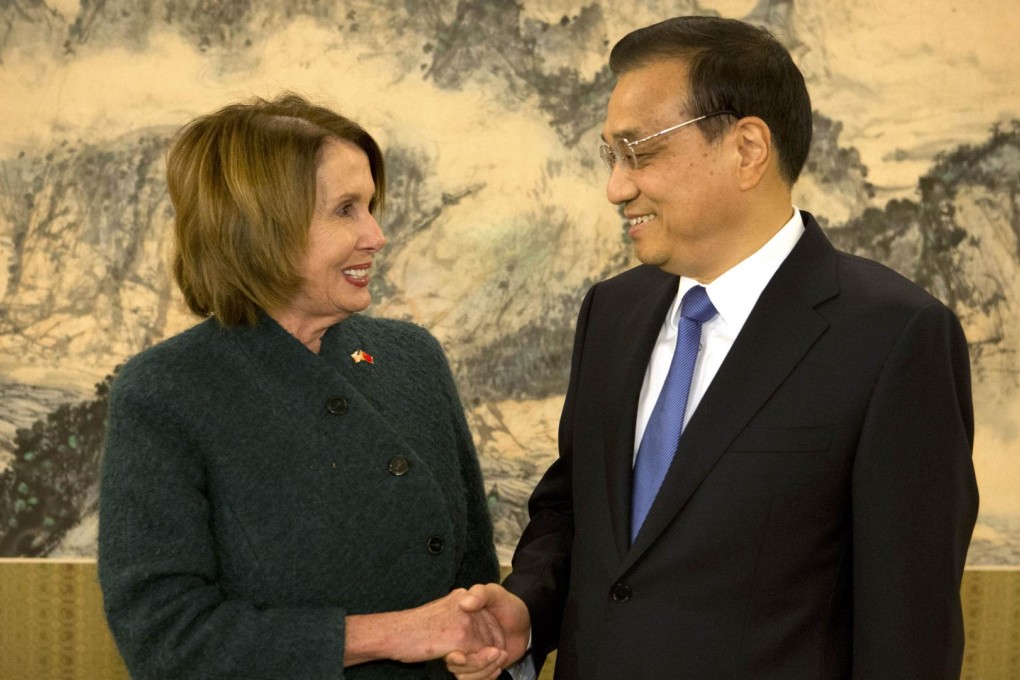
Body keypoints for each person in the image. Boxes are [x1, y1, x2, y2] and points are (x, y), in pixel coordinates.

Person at [446, 15, 979, 680]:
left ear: (748, 148)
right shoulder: (611, 313)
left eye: (639, 153)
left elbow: (908, 635)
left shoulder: (894, 336)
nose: (617, 186)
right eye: (610, 156)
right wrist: (529, 605)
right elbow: (575, 514)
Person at [98, 93, 503, 680]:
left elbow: (471, 575)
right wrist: (390, 634)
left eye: (370, 206)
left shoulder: (413, 358)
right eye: (346, 210)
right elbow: (165, 638)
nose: (376, 235)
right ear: (263, 227)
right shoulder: (166, 393)